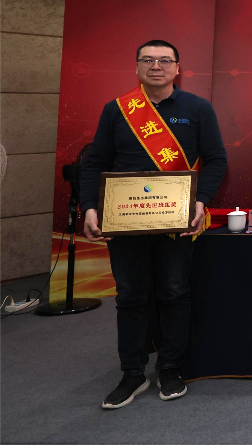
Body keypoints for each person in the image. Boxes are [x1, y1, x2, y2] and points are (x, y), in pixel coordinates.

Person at [80, 39, 227, 409]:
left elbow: (215, 159)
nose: (156, 66)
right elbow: (95, 161)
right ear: (137, 67)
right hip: (124, 220)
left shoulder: (197, 108)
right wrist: (90, 207)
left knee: (174, 292)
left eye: (164, 60)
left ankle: (170, 367)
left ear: (178, 68)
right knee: (130, 296)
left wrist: (200, 201)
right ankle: (132, 372)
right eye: (148, 60)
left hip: (176, 219)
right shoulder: (116, 110)